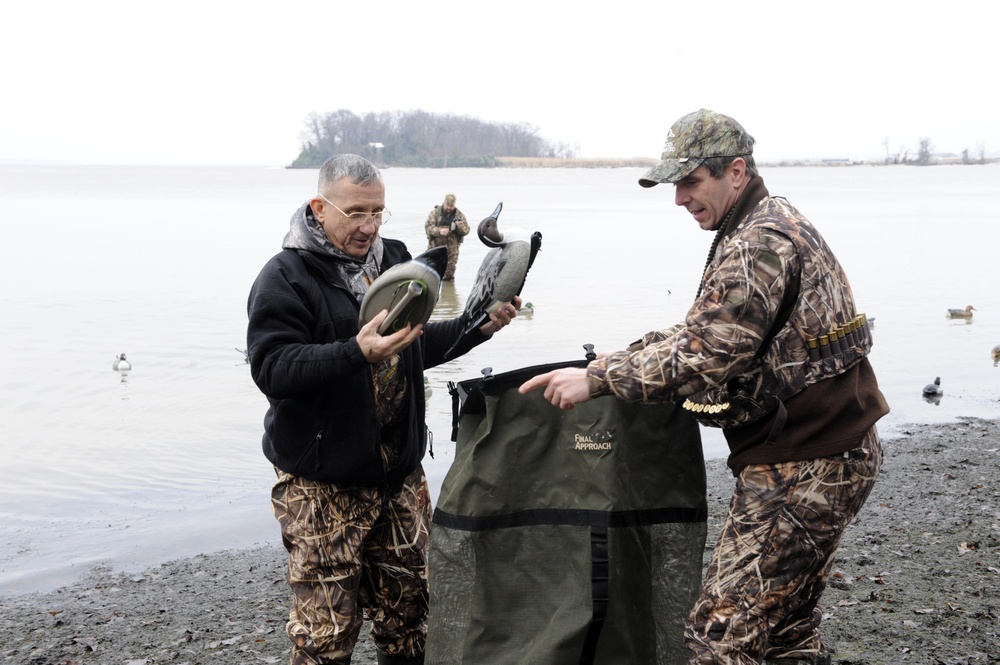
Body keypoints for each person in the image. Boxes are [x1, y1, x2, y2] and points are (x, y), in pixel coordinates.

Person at [519, 109, 888, 665]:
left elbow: (704, 355)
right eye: (675, 184)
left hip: (807, 460)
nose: (679, 199)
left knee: (720, 635)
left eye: (690, 182)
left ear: (735, 171)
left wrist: (596, 379)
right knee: (785, 629)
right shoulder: (768, 218)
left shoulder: (758, 242)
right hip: (835, 449)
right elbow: (707, 326)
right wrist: (626, 355)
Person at [247, 154, 519, 665]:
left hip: (398, 478)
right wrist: (357, 352)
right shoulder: (285, 276)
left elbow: (416, 346)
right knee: (325, 638)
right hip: (322, 488)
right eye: (354, 212)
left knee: (413, 621)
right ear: (318, 207)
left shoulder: (396, 261)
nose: (368, 226)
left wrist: (477, 327)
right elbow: (272, 368)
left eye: (377, 212)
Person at [424, 193, 470, 280]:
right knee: (431, 273)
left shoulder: (459, 215)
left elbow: (466, 230)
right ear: (444, 203)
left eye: (451, 206)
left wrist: (460, 227)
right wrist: (439, 231)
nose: (449, 208)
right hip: (435, 249)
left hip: (451, 251)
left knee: (448, 277)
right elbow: (428, 229)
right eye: (447, 205)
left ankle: (448, 292)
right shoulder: (434, 213)